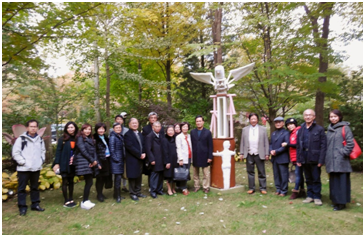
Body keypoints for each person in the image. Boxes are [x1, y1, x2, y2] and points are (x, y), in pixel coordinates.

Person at [12, 119, 46, 216]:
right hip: (24, 169)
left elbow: (43, 151)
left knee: (34, 187)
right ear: (27, 128)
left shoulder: (40, 139)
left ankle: (35, 204)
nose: (33, 128)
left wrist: (41, 161)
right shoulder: (21, 139)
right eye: (31, 126)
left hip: (36, 168)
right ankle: (22, 207)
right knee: (22, 188)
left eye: (35, 126)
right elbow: (15, 153)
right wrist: (23, 162)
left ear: (37, 128)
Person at [296, 109, 327, 206]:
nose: (308, 117)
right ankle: (310, 196)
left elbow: (323, 146)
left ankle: (317, 196)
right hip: (304, 157)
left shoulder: (319, 129)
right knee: (308, 178)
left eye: (310, 115)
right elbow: (298, 145)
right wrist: (299, 158)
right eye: (306, 115)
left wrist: (321, 160)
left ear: (314, 117)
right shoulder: (301, 130)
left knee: (316, 178)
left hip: (315, 157)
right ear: (304, 117)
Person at [326, 109, 354, 211]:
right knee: (334, 182)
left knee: (342, 182)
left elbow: (350, 143)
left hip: (341, 160)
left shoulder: (345, 128)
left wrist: (343, 153)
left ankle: (342, 203)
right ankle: (335, 201)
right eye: (331, 117)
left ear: (339, 117)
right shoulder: (329, 129)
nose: (333, 118)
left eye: (335, 116)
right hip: (331, 160)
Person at [239, 113, 269, 194]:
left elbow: (266, 142)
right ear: (249, 120)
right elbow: (242, 142)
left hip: (259, 153)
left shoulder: (263, 129)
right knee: (250, 171)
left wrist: (267, 153)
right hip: (249, 153)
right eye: (251, 119)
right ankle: (251, 188)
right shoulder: (245, 129)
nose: (253, 120)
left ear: (257, 120)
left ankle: (263, 188)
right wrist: (241, 153)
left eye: (255, 119)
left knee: (261, 171)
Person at [74, 124, 101, 210]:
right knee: (89, 182)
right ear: (82, 130)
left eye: (89, 129)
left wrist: (95, 161)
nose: (87, 131)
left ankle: (86, 200)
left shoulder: (90, 139)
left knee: (89, 182)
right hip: (83, 162)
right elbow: (83, 151)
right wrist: (92, 161)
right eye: (85, 129)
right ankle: (84, 201)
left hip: (89, 162)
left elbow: (94, 151)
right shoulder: (80, 138)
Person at [52, 121, 78, 208]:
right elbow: (58, 152)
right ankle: (66, 200)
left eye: (72, 127)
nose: (70, 129)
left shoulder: (77, 138)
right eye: (68, 127)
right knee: (65, 180)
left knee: (71, 181)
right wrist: (57, 163)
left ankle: (71, 198)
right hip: (64, 163)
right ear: (66, 129)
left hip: (73, 163)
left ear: (75, 128)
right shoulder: (62, 139)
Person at [282, 118, 305, 200]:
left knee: (298, 174)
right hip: (294, 157)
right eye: (288, 125)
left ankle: (295, 191)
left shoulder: (299, 131)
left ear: (295, 124)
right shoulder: (291, 133)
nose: (289, 126)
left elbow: (299, 145)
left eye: (291, 124)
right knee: (300, 174)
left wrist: (287, 144)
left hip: (300, 157)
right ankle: (302, 190)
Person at [124, 118, 147, 201]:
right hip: (132, 159)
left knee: (139, 175)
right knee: (132, 176)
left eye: (136, 123)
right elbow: (130, 147)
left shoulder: (140, 134)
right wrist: (139, 154)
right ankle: (132, 193)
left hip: (141, 158)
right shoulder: (127, 135)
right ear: (129, 124)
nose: (134, 124)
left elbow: (143, 144)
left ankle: (138, 191)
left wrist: (144, 153)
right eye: (133, 123)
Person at [145, 121, 170, 198]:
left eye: (159, 126)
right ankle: (153, 191)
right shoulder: (149, 136)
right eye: (156, 126)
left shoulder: (161, 136)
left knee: (161, 175)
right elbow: (148, 149)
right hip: (155, 159)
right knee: (154, 175)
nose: (157, 128)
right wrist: (151, 159)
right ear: (153, 127)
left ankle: (159, 189)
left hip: (161, 159)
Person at [190, 115, 213, 193]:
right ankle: (196, 186)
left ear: (203, 122)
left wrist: (210, 157)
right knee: (195, 173)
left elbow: (210, 145)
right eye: (197, 121)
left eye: (200, 121)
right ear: (195, 122)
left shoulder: (208, 132)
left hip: (205, 155)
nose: (198, 123)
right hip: (195, 155)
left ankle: (206, 187)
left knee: (206, 173)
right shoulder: (192, 132)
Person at [142, 112, 165, 190]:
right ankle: (152, 189)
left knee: (161, 173)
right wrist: (151, 158)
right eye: (151, 118)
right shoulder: (146, 130)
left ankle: (159, 189)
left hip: (161, 156)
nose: (153, 119)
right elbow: (147, 146)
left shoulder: (161, 131)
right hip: (152, 155)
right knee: (153, 173)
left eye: (155, 118)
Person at [269, 117, 290, 196]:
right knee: (276, 174)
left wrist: (276, 151)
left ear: (283, 123)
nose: (278, 124)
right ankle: (278, 188)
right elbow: (270, 144)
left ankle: (284, 190)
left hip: (282, 157)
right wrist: (270, 150)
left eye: (279, 122)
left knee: (283, 175)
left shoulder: (286, 133)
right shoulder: (273, 133)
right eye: (276, 122)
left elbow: (286, 145)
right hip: (274, 158)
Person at [93, 123, 112, 202]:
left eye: (103, 129)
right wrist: (98, 162)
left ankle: (101, 193)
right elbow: (94, 151)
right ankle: (99, 194)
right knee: (100, 178)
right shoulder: (94, 138)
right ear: (96, 130)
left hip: (107, 159)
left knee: (105, 177)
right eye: (99, 129)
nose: (101, 130)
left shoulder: (106, 137)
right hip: (100, 160)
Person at [109, 123, 125, 203]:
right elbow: (112, 150)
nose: (118, 129)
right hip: (116, 162)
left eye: (119, 127)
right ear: (113, 129)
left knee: (118, 179)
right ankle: (117, 196)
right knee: (117, 179)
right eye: (117, 128)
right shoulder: (113, 137)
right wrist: (116, 159)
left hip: (120, 160)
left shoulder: (120, 136)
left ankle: (116, 194)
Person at [113, 113, 129, 193]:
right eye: (117, 119)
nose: (119, 121)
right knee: (117, 173)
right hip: (116, 154)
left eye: (120, 119)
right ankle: (117, 189)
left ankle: (124, 186)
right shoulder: (112, 131)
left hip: (125, 153)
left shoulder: (126, 130)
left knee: (125, 170)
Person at [175, 122, 192, 195]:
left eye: (186, 127)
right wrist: (180, 159)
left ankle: (179, 186)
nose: (185, 128)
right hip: (183, 158)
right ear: (181, 128)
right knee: (182, 173)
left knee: (186, 172)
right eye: (183, 127)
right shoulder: (179, 137)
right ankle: (184, 188)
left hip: (189, 157)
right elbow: (178, 148)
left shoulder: (189, 136)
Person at [164, 125, 178, 195]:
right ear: (166, 131)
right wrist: (167, 162)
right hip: (168, 160)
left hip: (175, 159)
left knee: (174, 175)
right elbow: (164, 151)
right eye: (169, 130)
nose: (170, 132)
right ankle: (169, 189)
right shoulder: (165, 139)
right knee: (168, 175)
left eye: (172, 130)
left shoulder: (176, 138)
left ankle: (173, 188)